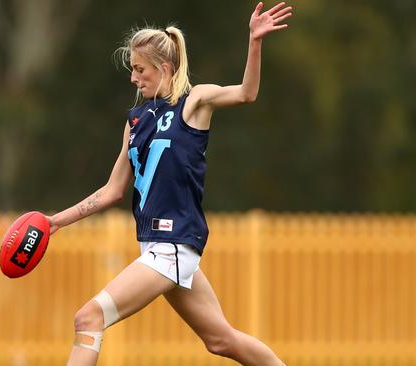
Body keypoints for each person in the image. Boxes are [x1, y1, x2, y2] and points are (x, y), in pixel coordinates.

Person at [47, 2, 292, 365]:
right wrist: (54, 222)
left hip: (173, 244)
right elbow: (113, 190)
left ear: (164, 68)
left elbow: (246, 93)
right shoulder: (135, 121)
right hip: (157, 248)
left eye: (139, 69)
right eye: (132, 70)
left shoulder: (193, 101)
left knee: (88, 318)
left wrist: (254, 42)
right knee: (221, 340)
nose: (134, 78)